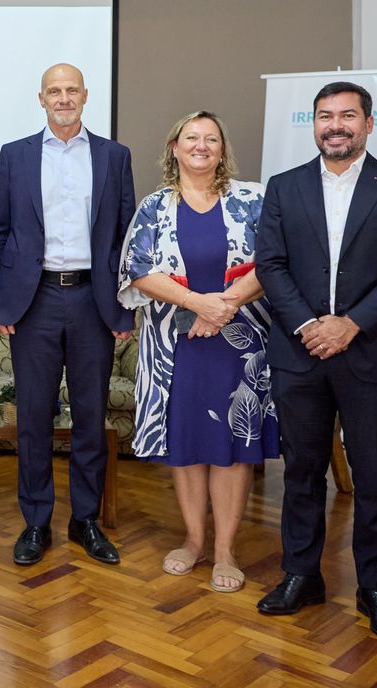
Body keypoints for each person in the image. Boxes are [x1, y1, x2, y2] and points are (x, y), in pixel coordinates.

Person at [255, 82, 377, 645]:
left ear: (369, 124)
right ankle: (301, 575)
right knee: (301, 471)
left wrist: (350, 324)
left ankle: (375, 588)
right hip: (300, 351)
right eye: (325, 115)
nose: (336, 125)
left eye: (348, 115)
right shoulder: (284, 187)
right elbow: (271, 264)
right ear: (313, 124)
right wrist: (310, 325)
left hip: (371, 353)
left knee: (374, 476)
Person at [118, 111, 276, 592]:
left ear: (222, 149)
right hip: (175, 346)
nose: (201, 145)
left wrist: (222, 306)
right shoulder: (154, 207)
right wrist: (196, 304)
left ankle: (225, 549)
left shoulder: (252, 200)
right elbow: (137, 268)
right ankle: (193, 540)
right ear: (175, 147)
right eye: (191, 137)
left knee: (232, 445)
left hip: (240, 344)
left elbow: (274, 260)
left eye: (211, 138)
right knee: (185, 445)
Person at [0, 63, 135, 567]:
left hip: (94, 300)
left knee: (90, 416)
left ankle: (85, 520)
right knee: (34, 416)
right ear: (41, 99)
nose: (64, 98)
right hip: (36, 301)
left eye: (72, 90)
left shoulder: (115, 156)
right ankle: (36, 521)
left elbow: (124, 236)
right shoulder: (15, 155)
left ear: (85, 96)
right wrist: (4, 301)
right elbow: (0, 231)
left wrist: (121, 307)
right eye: (55, 91)